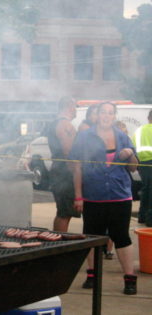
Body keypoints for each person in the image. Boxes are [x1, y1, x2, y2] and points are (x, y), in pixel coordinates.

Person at [70, 102, 138, 295]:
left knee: (122, 236)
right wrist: (78, 196)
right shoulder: (84, 136)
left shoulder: (122, 136)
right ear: (96, 115)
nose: (106, 116)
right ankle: (92, 274)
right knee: (92, 235)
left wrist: (130, 154)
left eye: (110, 113)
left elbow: (133, 167)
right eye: (103, 112)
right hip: (93, 195)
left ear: (114, 116)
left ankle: (130, 278)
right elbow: (76, 167)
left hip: (119, 196)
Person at [47, 97, 79, 232]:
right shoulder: (65, 125)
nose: (76, 110)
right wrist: (76, 172)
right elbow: (68, 152)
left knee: (62, 212)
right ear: (70, 107)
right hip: (64, 174)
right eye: (75, 107)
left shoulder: (55, 123)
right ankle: (58, 243)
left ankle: (55, 240)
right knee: (64, 214)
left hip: (59, 172)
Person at [132, 110, 152, 227]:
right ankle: (150, 219)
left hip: (141, 163)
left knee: (146, 189)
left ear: (148, 117)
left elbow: (133, 146)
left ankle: (142, 216)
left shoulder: (139, 130)